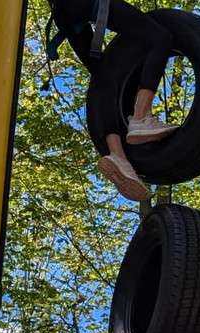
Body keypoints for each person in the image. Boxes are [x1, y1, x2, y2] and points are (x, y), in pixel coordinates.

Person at [47, 0, 177, 201]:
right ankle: (141, 117)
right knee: (161, 39)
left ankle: (118, 156)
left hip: (64, 13)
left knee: (105, 78)